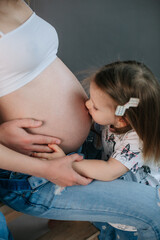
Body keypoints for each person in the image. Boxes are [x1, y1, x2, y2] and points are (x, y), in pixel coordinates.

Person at [0, 1, 160, 239]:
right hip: (37, 174)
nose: (86, 104)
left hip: (83, 152)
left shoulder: (16, 2)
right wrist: (46, 165)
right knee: (152, 211)